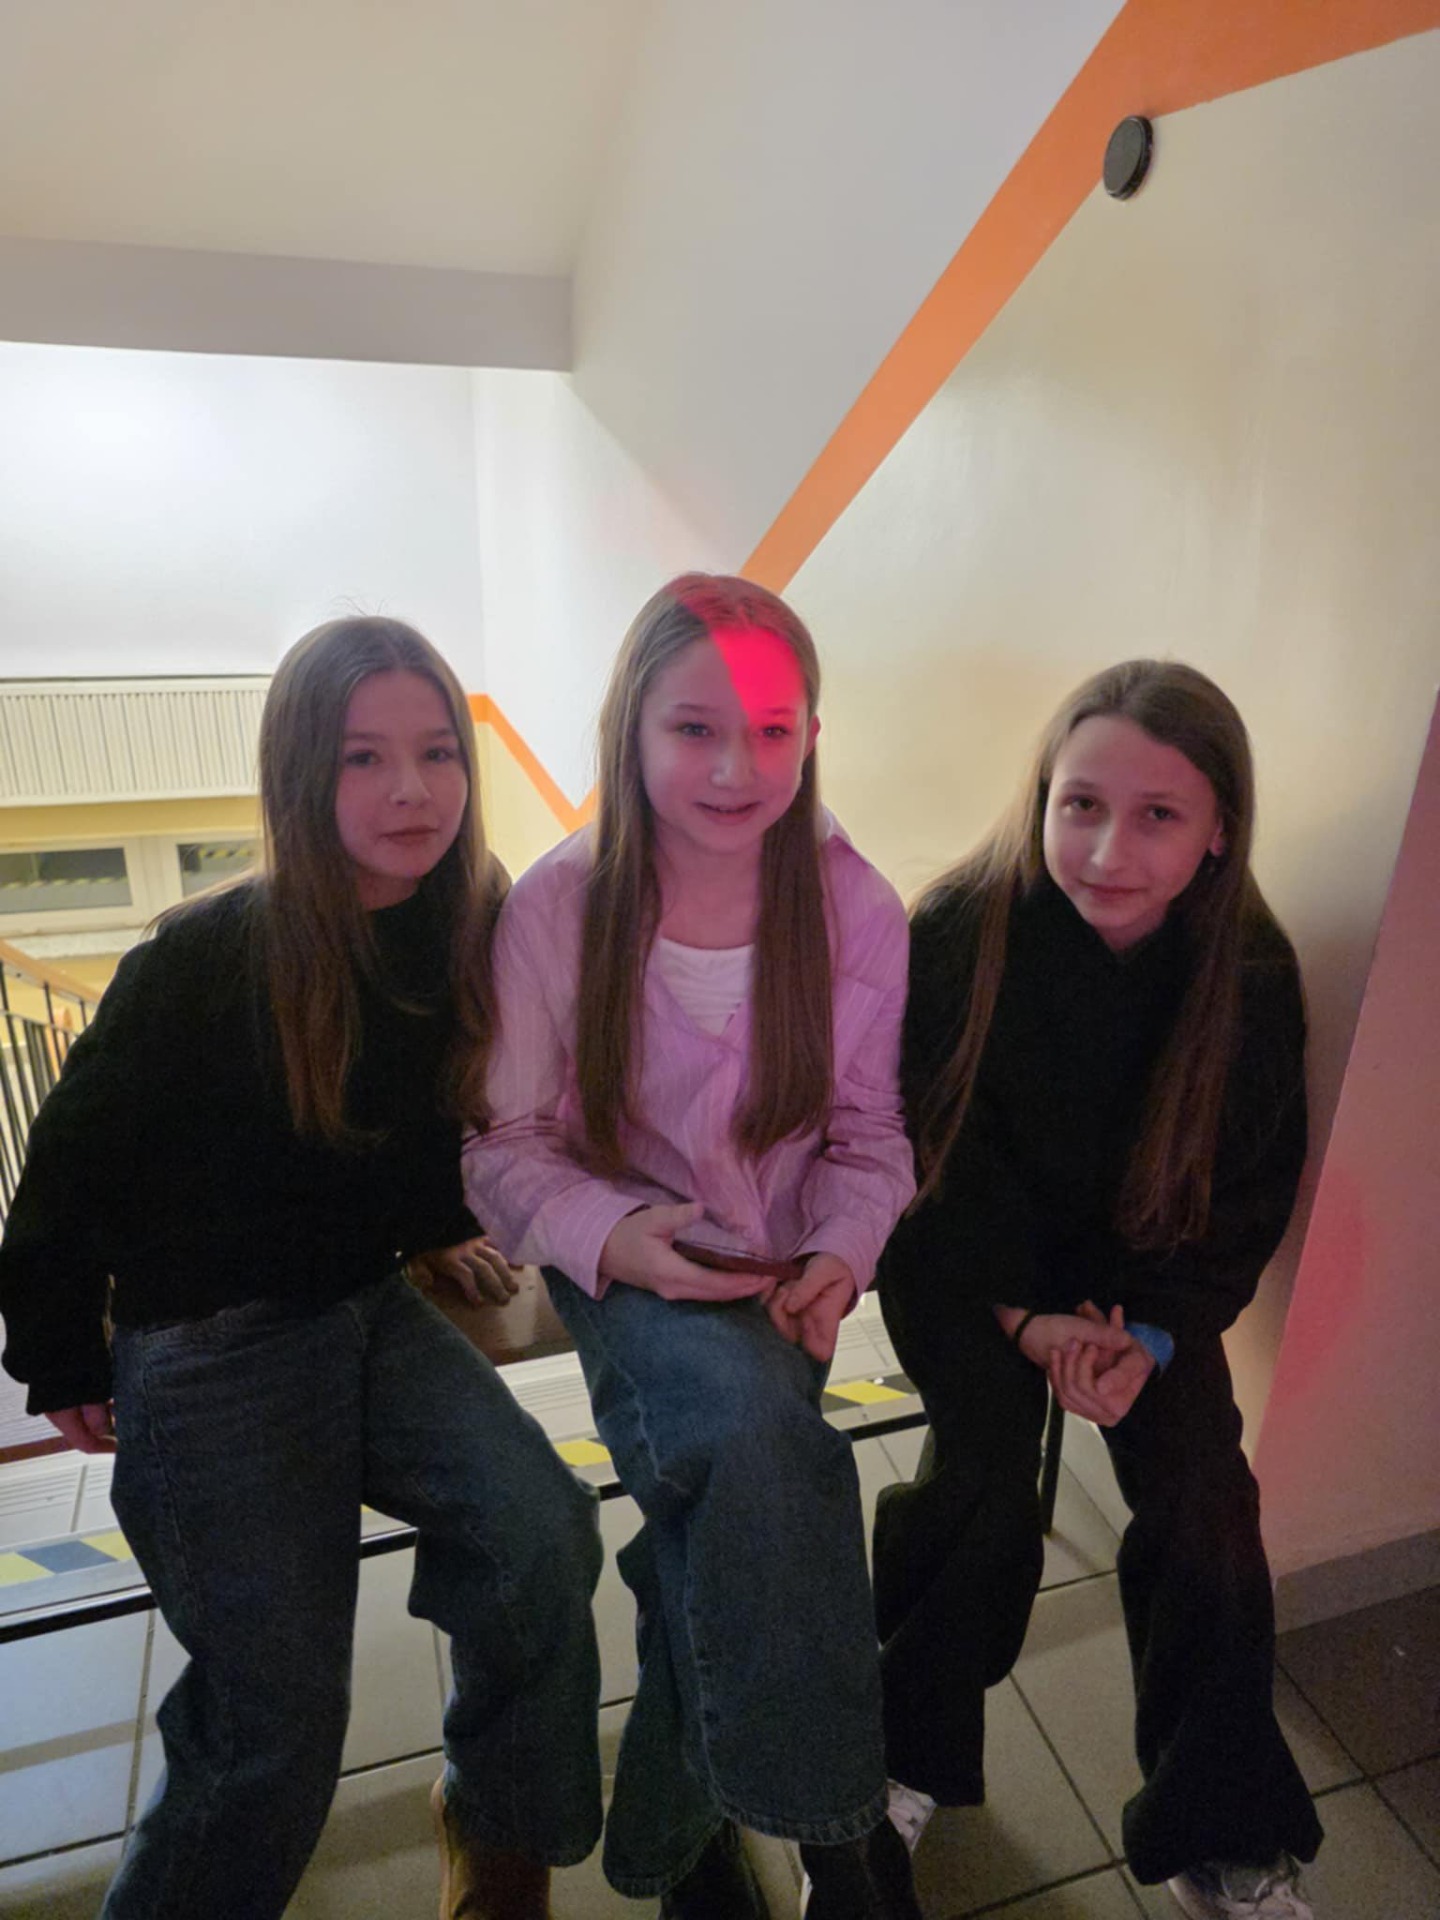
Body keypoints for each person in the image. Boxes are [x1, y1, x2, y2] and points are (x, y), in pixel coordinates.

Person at [0, 617, 603, 1920]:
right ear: (297, 776)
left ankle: (496, 1829)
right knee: (275, 1726)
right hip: (208, 1340)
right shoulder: (204, 956)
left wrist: (435, 1224)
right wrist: (55, 1348)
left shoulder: (470, 924)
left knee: (543, 1537)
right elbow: (66, 1167)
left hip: (363, 1306)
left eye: (438, 752)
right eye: (362, 758)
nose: (412, 789)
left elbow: (420, 1127)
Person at [464, 574, 922, 1919]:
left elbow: (872, 1137)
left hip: (777, 1269)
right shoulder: (558, 907)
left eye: (774, 731)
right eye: (696, 729)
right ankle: (843, 1845)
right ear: (632, 729)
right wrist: (620, 1237)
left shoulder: (854, 907)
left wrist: (840, 1254)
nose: (738, 769)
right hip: (629, 1263)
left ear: (813, 736)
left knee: (710, 1525)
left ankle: (679, 1855)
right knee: (762, 1446)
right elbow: (504, 1146)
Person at [872, 659, 1323, 1918]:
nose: (1110, 851)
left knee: (1207, 1505)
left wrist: (1153, 1340)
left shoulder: (1251, 974)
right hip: (970, 1270)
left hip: (1144, 1295)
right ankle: (899, 1754)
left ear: (1219, 829)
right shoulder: (958, 933)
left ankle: (1217, 1828)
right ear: (1043, 798)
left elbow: (1245, 1189)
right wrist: (1025, 1318)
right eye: (1081, 805)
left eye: (1158, 815)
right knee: (980, 1485)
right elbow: (927, 1161)